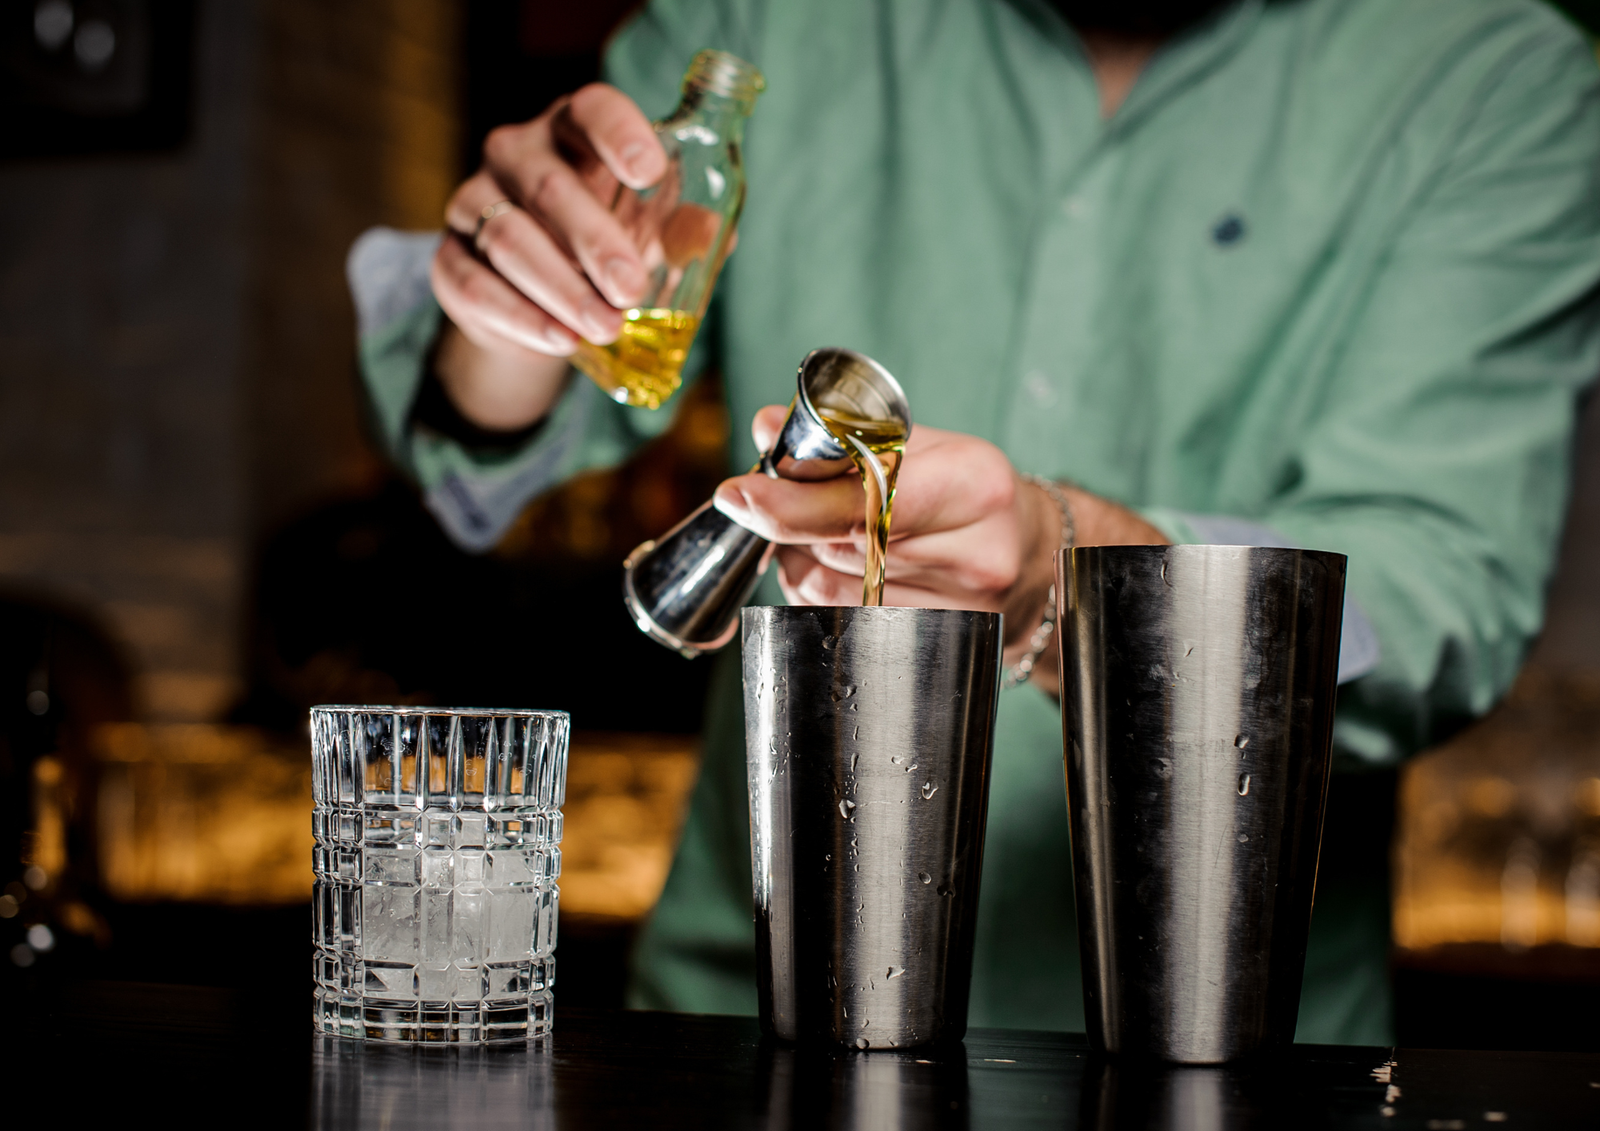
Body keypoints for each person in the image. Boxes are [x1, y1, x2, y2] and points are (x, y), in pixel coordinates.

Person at [348, 0, 1600, 1043]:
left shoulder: (1489, 72)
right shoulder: (759, 21)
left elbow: (1440, 601)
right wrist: (513, 299)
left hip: (1222, 1052)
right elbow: (486, 443)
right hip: (752, 1025)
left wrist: (1068, 573)